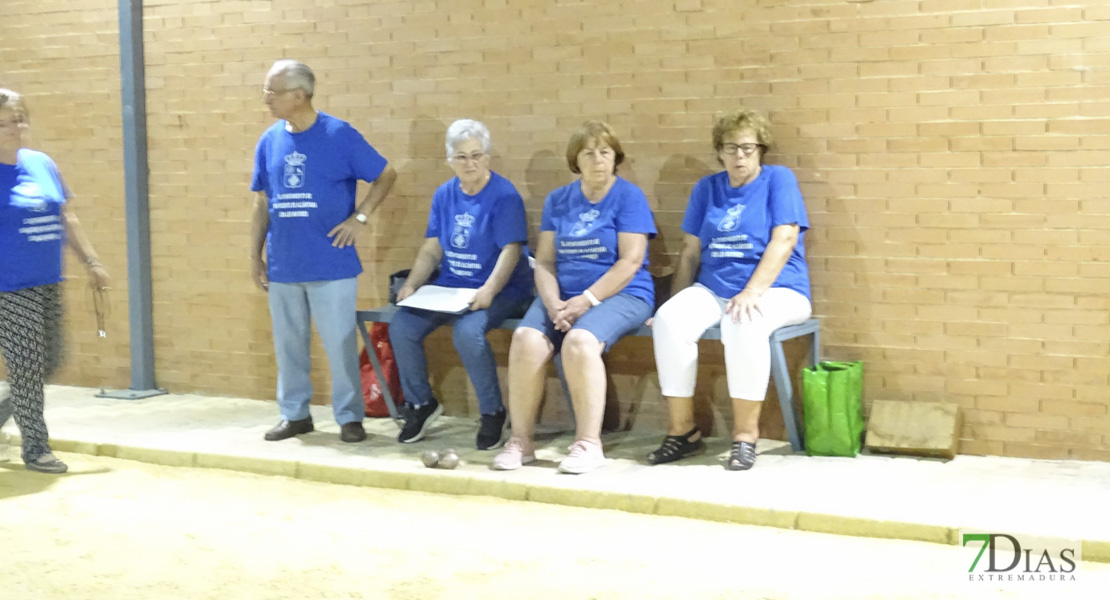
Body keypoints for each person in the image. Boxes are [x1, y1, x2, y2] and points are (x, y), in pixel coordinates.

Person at [648, 108, 812, 471]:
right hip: (715, 288)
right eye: (731, 148)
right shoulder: (707, 188)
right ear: (719, 152)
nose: (740, 156)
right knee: (669, 320)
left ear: (761, 150)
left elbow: (784, 238)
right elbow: (690, 253)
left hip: (779, 290)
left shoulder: (779, 180)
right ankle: (682, 433)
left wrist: (753, 291)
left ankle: (744, 435)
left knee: (743, 320)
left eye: (748, 148)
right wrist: (672, 302)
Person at [493, 121, 656, 475]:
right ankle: (521, 441)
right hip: (562, 295)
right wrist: (553, 303)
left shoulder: (629, 197)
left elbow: (630, 262)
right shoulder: (558, 200)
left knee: (580, 342)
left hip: (623, 293)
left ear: (616, 159)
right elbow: (546, 261)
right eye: (589, 152)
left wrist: (586, 301)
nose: (598, 160)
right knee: (525, 340)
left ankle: (588, 444)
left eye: (606, 152)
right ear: (576, 160)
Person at [250, 60, 397, 443]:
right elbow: (262, 202)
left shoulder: (339, 135)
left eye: (272, 91)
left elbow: (385, 174)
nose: (265, 98)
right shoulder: (269, 141)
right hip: (284, 262)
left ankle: (350, 417)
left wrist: (359, 219)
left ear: (299, 96)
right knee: (289, 346)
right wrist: (255, 255)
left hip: (331, 261)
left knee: (340, 344)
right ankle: (295, 414)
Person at [390, 120, 533, 449]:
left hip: (503, 289)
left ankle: (493, 411)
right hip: (451, 288)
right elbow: (432, 247)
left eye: (477, 156)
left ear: (488, 157)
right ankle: (421, 404)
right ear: (449, 160)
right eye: (462, 157)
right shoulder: (444, 194)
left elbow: (511, 251)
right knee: (402, 326)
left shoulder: (504, 195)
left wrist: (489, 291)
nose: (470, 164)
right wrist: (412, 285)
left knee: (467, 332)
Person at [0, 88, 111, 474]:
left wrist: (91, 261)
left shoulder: (41, 163)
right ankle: (36, 449)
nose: (14, 128)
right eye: (3, 124)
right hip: (9, 287)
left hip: (48, 280)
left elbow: (66, 217)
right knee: (27, 367)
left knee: (50, 362)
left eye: (18, 119)